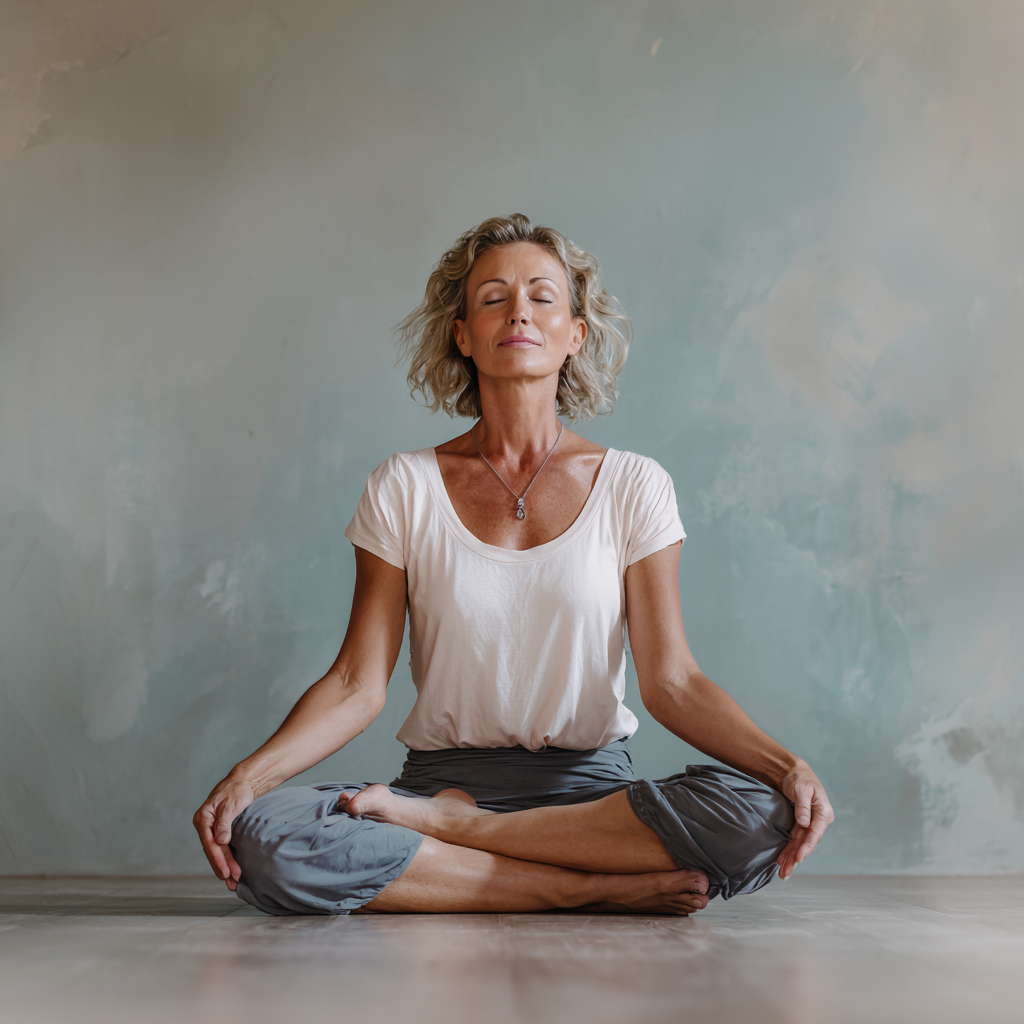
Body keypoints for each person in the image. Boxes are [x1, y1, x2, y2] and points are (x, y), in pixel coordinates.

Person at [193, 214, 834, 916]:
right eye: (493, 297)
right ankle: (571, 886)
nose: (519, 311)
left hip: (593, 802)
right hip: (439, 786)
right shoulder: (403, 485)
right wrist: (249, 776)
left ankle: (466, 843)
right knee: (270, 837)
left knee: (761, 813)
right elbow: (355, 682)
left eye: (542, 296)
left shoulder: (633, 484)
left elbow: (673, 681)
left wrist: (787, 767)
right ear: (463, 335)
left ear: (575, 334)